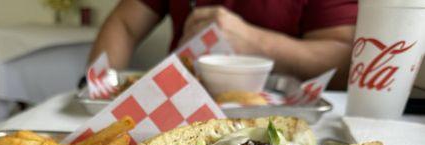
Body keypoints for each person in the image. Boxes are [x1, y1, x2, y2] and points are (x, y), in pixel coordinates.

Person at [88, 0, 358, 89]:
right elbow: (124, 24)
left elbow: (344, 59)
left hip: (280, 115)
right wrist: (98, 88)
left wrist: (258, 43)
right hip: (177, 104)